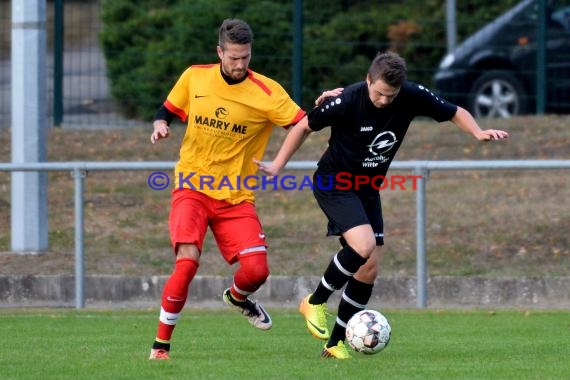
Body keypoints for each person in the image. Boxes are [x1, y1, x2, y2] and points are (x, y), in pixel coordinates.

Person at [257, 51, 509, 359]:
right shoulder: (348, 99)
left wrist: (477, 132)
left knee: (369, 269)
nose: (384, 101)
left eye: (390, 95)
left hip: (367, 189)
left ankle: (335, 343)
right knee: (362, 246)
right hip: (334, 183)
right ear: (368, 80)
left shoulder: (411, 95)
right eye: (378, 93)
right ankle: (314, 301)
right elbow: (304, 126)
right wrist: (278, 165)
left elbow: (453, 110)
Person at [148, 18, 306, 360]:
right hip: (191, 186)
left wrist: (327, 106)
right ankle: (160, 347)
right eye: (233, 57)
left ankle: (237, 297)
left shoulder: (266, 92)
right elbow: (167, 110)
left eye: (245, 58)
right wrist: (161, 124)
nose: (239, 65)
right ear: (219, 52)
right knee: (187, 263)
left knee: (257, 271)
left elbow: (303, 123)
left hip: (235, 197)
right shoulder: (195, 76)